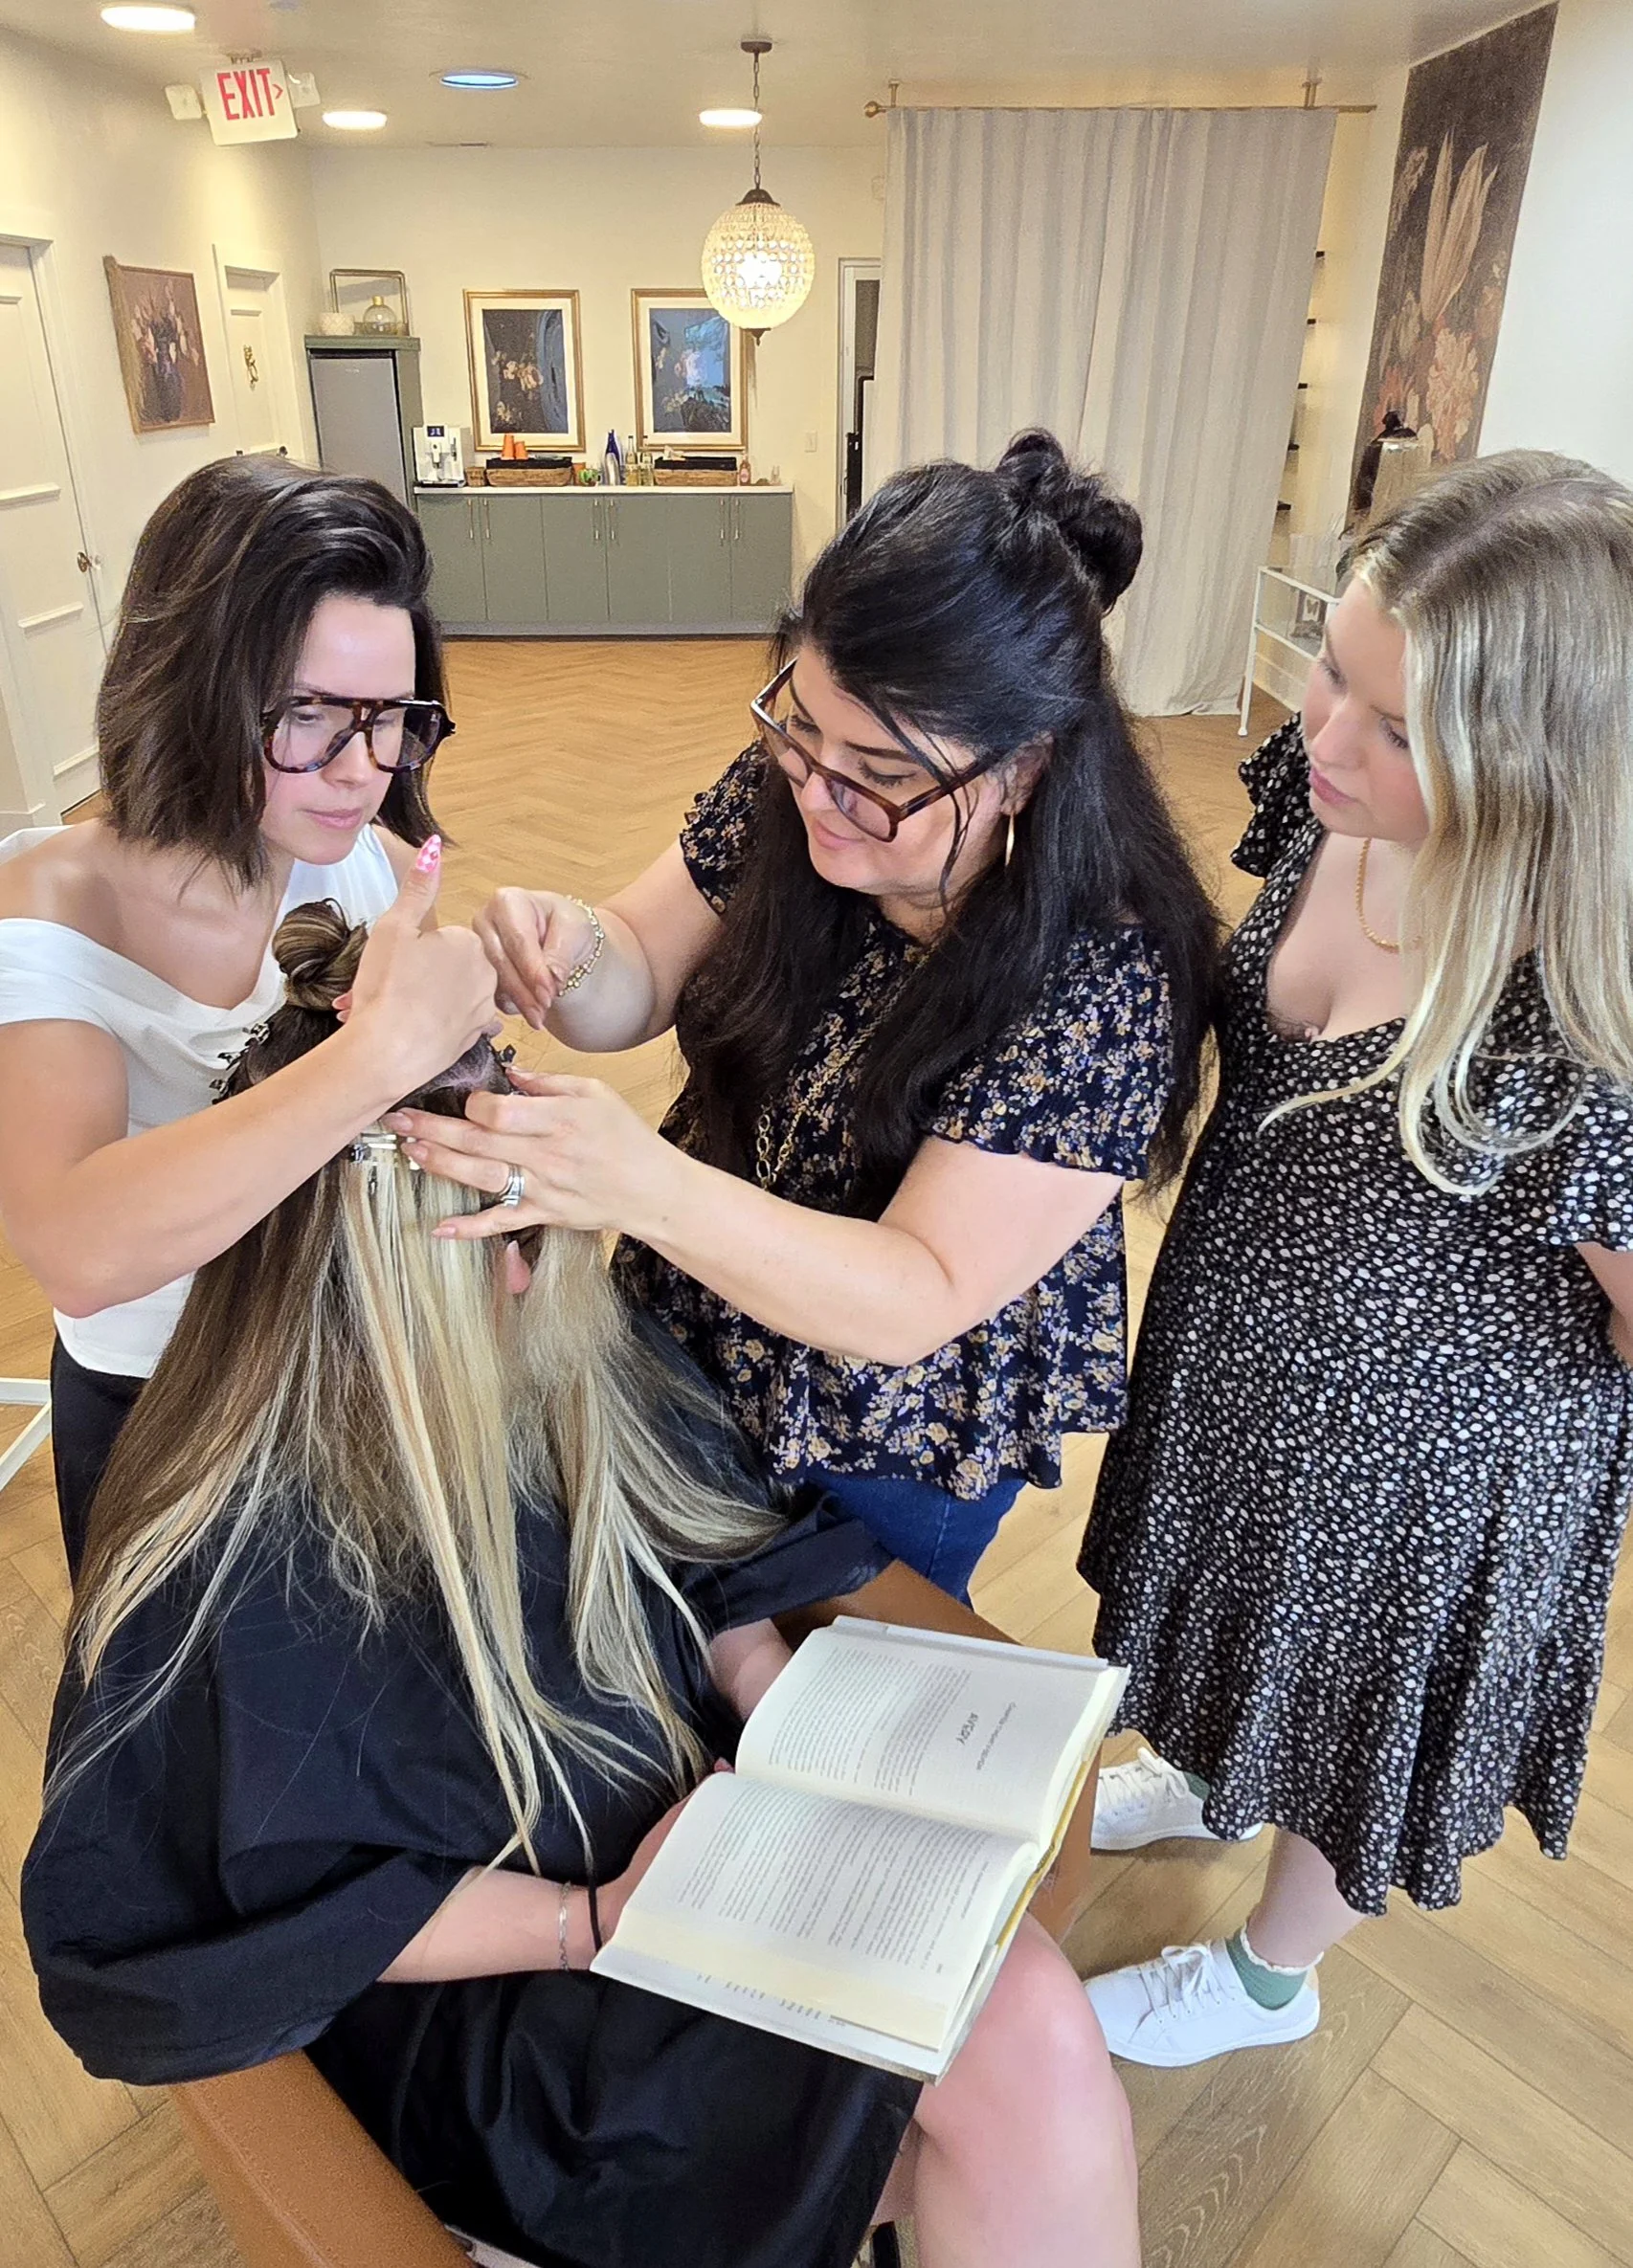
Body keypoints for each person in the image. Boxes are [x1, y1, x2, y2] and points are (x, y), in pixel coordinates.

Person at [23, 901, 1141, 2268]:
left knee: (1011, 2019)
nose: (556, 1258)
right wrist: (592, 1918)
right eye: (523, 1225)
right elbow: (213, 1930)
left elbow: (704, 1532)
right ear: (403, 1259)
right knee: (1017, 2039)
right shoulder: (226, 1567)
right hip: (515, 1999)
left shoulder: (542, 1347)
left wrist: (778, 1704)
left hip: (679, 1847)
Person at [387, 431, 1219, 1600]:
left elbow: (915, 1293)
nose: (819, 788)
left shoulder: (1097, 976)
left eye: (879, 774)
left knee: (832, 1685)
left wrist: (638, 1184)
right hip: (694, 1329)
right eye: (802, 724)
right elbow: (635, 966)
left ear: (1024, 769)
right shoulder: (800, 779)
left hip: (886, 1439)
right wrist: (566, 946)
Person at [1077, 451, 1633, 2065]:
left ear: (1537, 767)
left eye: (1397, 731)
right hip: (1236, 1340)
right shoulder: (1320, 792)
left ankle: (1268, 1974)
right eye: (1334, 665)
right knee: (1226, 1617)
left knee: (1352, 1708)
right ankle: (1202, 1765)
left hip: (1423, 1468)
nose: (1325, 735)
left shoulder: (1583, 1012)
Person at [0, 455, 497, 1572]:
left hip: (340, 1373)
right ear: (187, 683)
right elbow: (76, 1249)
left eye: (392, 719)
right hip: (161, 1417)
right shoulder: (43, 918)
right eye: (310, 715)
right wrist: (380, 1054)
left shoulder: (354, 863)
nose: (362, 770)